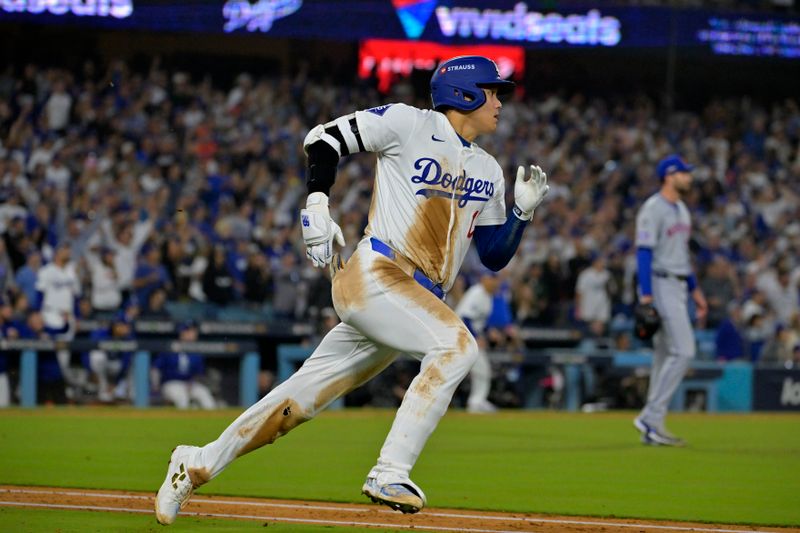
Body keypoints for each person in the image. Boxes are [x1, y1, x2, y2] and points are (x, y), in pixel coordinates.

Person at [155, 55, 549, 524]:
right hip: (378, 275)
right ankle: (390, 470)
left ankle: (196, 462)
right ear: (464, 93)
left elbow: (493, 255)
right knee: (457, 347)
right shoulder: (409, 123)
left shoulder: (489, 169)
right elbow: (323, 138)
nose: (501, 101)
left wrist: (521, 215)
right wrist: (318, 200)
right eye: (494, 90)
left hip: (413, 302)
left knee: (294, 404)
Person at [633, 154, 708, 447]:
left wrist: (696, 290)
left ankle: (653, 428)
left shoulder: (682, 209)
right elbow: (643, 252)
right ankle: (650, 416)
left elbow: (682, 256)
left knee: (664, 356)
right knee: (685, 351)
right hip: (661, 283)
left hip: (678, 284)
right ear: (669, 175)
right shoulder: (653, 208)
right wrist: (646, 295)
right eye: (683, 173)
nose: (688, 177)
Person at [455, 270, 501, 413]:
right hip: (460, 334)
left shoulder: (488, 297)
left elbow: (480, 321)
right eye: (491, 279)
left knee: (482, 369)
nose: (494, 282)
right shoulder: (477, 293)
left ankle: (477, 401)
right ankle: (476, 402)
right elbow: (465, 318)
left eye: (496, 279)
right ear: (484, 279)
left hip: (469, 337)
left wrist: (489, 332)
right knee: (481, 369)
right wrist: (476, 337)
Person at [153, 321, 216, 409]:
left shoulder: (197, 352)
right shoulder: (169, 347)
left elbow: (199, 373)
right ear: (182, 333)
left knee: (204, 394)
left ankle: (213, 422)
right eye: (189, 331)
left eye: (193, 331)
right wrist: (155, 387)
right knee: (182, 398)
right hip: (170, 383)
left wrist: (192, 382)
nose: (192, 334)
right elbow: (155, 369)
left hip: (190, 384)